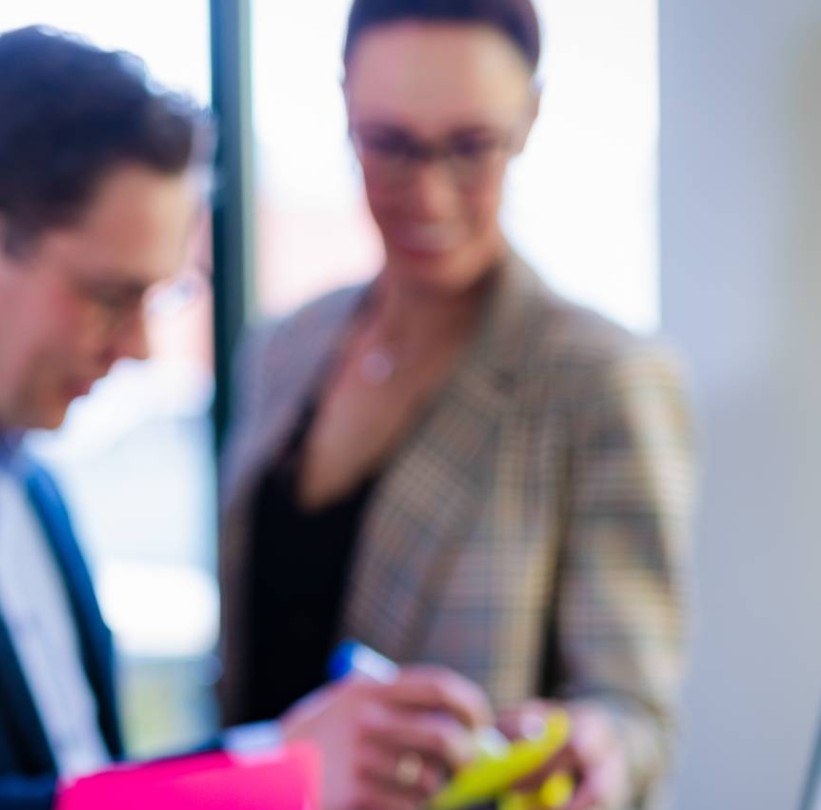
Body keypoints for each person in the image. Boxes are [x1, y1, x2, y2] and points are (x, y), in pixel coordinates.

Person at [0, 26, 493, 810]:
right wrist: (273, 779)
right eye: (111, 298)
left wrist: (280, 755)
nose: (141, 346)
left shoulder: (27, 470)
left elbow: (81, 779)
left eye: (161, 297)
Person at [216, 1, 696, 808]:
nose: (429, 195)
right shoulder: (284, 350)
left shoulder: (597, 379)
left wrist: (599, 746)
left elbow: (632, 708)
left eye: (472, 147)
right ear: (345, 108)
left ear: (529, 117)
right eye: (390, 145)